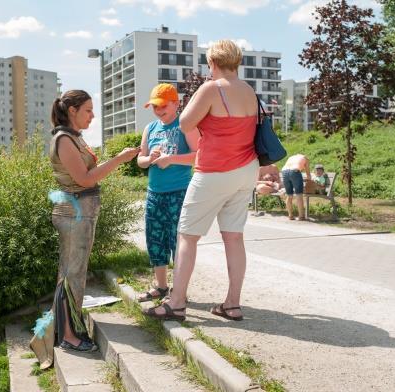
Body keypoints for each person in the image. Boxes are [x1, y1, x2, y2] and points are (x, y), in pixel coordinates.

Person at [144, 40, 259, 322]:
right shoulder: (249, 91)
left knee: (187, 235)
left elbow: (184, 123)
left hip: (216, 170)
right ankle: (232, 304)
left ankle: (177, 303)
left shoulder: (212, 88)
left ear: (213, 63)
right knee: (234, 237)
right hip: (246, 170)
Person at [36, 90, 139, 358]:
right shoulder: (64, 140)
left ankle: (65, 329)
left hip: (80, 214)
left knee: (72, 274)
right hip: (74, 215)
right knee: (73, 276)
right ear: (72, 111)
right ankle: (69, 336)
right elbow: (84, 179)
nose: (93, 116)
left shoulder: (73, 138)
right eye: (88, 110)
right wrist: (120, 159)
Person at [136, 83, 199, 303]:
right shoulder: (150, 128)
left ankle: (179, 292)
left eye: (162, 105)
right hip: (154, 193)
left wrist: (170, 159)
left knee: (177, 242)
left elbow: (199, 155)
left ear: (176, 103)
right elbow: (140, 161)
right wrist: (151, 158)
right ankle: (161, 286)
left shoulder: (186, 125)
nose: (158, 110)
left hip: (179, 192)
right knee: (155, 239)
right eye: (154, 106)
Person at [281, 154, 311, 220]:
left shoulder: (291, 157)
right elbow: (308, 173)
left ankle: (290, 215)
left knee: (289, 195)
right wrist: (309, 178)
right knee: (299, 195)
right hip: (295, 171)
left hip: (284, 172)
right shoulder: (305, 158)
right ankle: (301, 216)